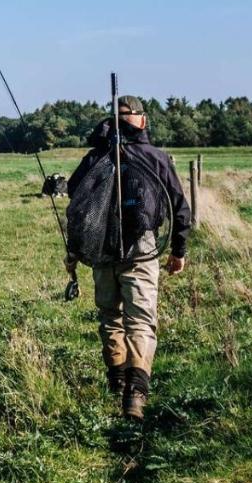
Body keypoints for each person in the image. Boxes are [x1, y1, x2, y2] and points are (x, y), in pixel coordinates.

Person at [65, 95, 192, 421]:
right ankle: (135, 395)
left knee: (110, 317)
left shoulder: (95, 157)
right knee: (141, 320)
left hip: (101, 248)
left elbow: (76, 203)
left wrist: (75, 251)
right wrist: (179, 250)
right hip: (142, 249)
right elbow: (180, 208)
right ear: (141, 121)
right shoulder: (156, 157)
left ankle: (117, 381)